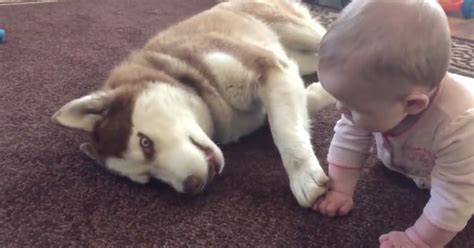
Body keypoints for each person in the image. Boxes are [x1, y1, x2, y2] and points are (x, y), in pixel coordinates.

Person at [313, 0, 474, 247]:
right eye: (339, 99)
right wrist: (339, 189)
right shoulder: (372, 96)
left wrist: (420, 240)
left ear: (412, 105)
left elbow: (455, 199)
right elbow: (350, 137)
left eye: (354, 107)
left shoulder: (460, 128)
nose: (339, 109)